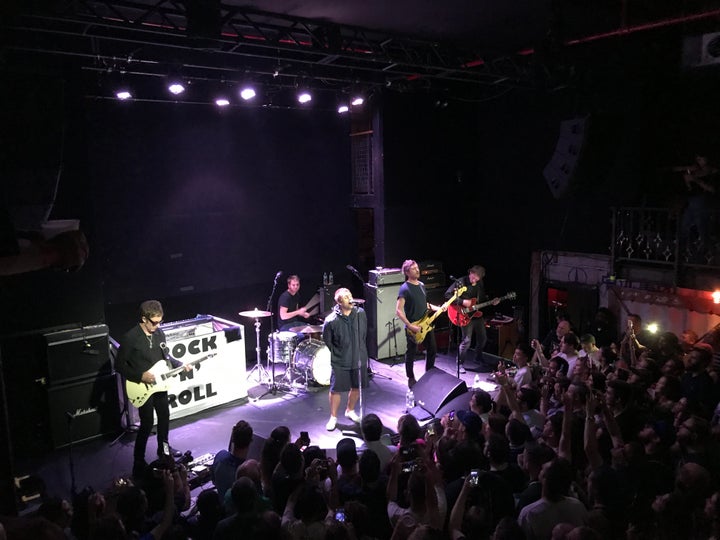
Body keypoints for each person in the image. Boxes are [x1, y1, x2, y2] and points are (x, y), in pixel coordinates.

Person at [115, 300, 188, 477]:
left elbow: (166, 357)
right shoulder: (130, 337)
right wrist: (140, 376)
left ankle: (163, 450)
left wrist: (180, 364)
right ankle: (138, 460)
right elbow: (119, 365)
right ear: (144, 319)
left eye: (160, 322)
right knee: (147, 423)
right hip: (142, 386)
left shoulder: (159, 334)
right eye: (154, 322)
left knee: (164, 417)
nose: (157, 326)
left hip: (160, 385)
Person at [322, 287, 368, 430]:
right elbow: (327, 341)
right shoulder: (331, 320)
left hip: (358, 357)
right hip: (340, 360)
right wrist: (340, 351)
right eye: (347, 297)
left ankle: (350, 410)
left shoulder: (360, 313)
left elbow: (363, 334)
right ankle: (333, 417)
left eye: (350, 295)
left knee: (356, 385)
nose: (351, 298)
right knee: (336, 389)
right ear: (340, 301)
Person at [396, 259, 445, 388]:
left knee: (432, 349)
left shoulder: (422, 285)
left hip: (426, 324)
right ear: (407, 272)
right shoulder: (404, 288)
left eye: (417, 267)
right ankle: (410, 377)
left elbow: (425, 304)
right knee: (411, 352)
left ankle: (429, 372)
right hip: (413, 326)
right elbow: (398, 310)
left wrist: (438, 308)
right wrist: (410, 325)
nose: (417, 270)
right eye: (414, 268)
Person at [444, 265, 499, 373]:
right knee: (466, 341)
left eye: (477, 278)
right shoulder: (461, 282)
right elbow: (447, 295)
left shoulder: (480, 284)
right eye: (473, 276)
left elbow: (481, 300)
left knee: (483, 338)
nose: (474, 279)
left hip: (476, 315)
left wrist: (492, 301)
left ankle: (478, 358)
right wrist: (462, 302)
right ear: (470, 272)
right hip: (463, 314)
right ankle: (459, 364)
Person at [212, 420, 253, 501]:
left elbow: (213, 481)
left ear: (233, 439)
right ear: (250, 441)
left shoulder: (220, 455)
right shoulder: (247, 471)